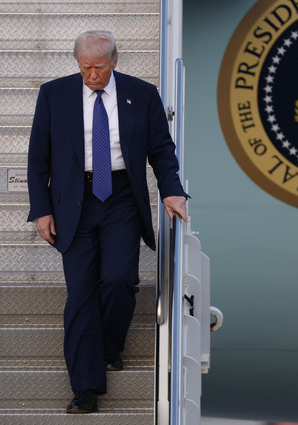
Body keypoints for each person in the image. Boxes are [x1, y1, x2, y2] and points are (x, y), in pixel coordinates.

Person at [26, 30, 188, 414]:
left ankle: (110, 344)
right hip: (73, 202)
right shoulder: (54, 94)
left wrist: (172, 190)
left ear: (114, 61)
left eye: (99, 67)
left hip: (120, 198)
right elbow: (38, 159)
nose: (92, 75)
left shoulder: (142, 94)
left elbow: (162, 151)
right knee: (81, 292)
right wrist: (42, 209)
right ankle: (86, 387)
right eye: (85, 68)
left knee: (118, 280)